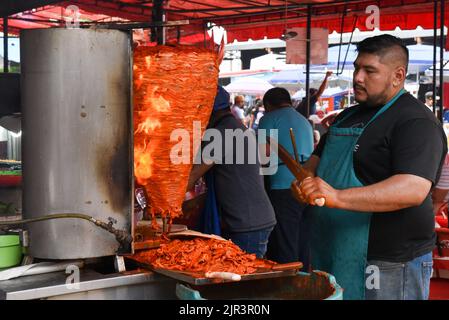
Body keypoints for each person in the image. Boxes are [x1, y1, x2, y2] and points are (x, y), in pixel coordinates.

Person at [291, 35, 447, 300]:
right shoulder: (348, 115)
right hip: (332, 247)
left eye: (370, 71)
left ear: (398, 76)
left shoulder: (415, 121)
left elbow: (412, 189)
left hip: (388, 261)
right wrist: (303, 183)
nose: (358, 77)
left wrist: (337, 197)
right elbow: (313, 165)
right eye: (356, 68)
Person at [187, 86, 276, 258]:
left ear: (207, 112)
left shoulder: (224, 132)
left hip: (249, 224)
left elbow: (191, 176)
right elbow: (230, 182)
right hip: (249, 220)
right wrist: (193, 203)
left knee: (240, 282)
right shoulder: (232, 127)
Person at [257, 87, 314, 268]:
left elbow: (262, 155)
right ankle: (305, 281)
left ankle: (290, 285)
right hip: (307, 187)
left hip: (283, 188)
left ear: (268, 105)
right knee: (303, 240)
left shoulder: (269, 119)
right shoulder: (304, 120)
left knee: (285, 241)